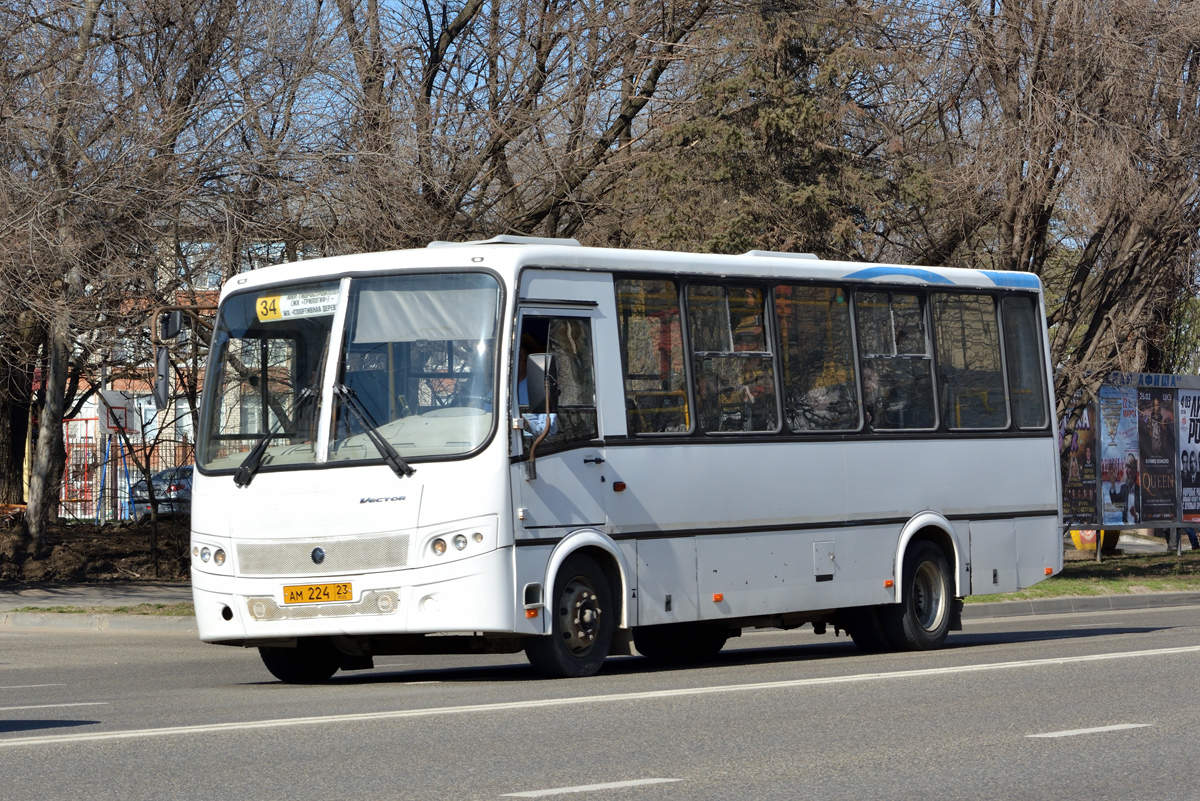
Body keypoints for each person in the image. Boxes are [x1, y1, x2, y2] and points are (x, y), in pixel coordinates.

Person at [517, 332, 558, 437]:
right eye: (511, 358)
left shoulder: (541, 388)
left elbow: (550, 430)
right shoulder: (496, 391)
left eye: (519, 357)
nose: (514, 362)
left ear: (528, 362)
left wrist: (525, 424)